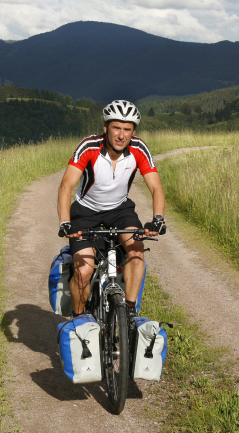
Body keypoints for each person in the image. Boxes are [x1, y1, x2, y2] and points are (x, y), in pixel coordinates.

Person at [56, 99, 167, 318]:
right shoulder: (89, 146)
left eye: (127, 130)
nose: (121, 135)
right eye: (116, 128)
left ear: (133, 132)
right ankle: (79, 320)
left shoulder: (138, 149)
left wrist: (158, 219)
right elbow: (66, 186)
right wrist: (65, 223)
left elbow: (156, 188)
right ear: (106, 128)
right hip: (85, 212)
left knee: (136, 251)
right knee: (83, 271)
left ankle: (130, 313)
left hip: (120, 210)